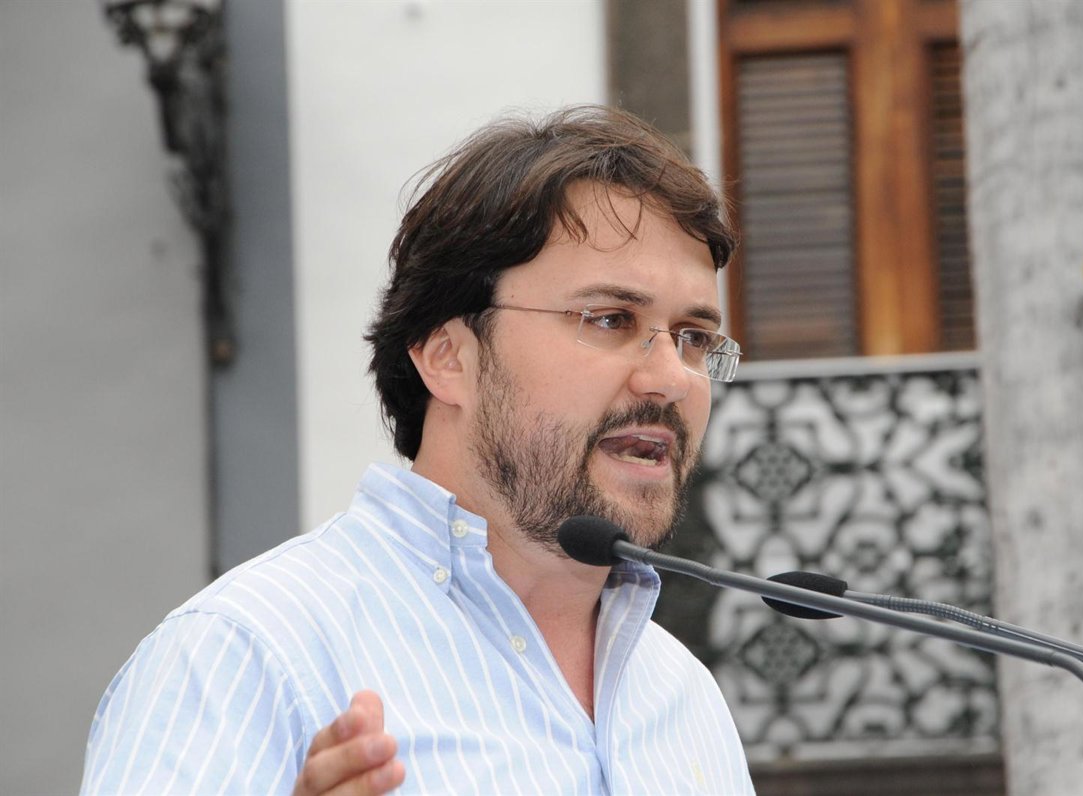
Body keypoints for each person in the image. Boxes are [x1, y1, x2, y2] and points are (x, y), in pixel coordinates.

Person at [80, 105, 754, 795]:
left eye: (695, 338)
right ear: (447, 357)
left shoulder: (684, 700)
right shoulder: (244, 653)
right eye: (610, 319)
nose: (672, 378)